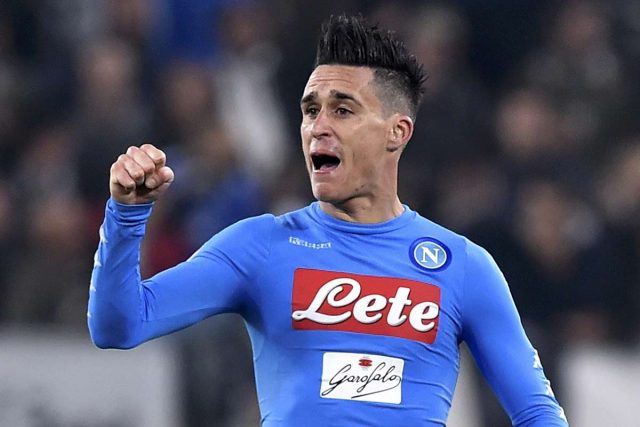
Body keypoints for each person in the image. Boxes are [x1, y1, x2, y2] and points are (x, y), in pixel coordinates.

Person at [88, 15, 569, 426]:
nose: (319, 126)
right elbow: (120, 326)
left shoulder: (461, 266)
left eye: (343, 109)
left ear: (397, 132)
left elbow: (536, 412)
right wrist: (126, 217)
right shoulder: (260, 246)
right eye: (310, 110)